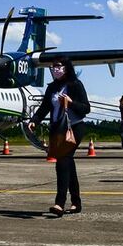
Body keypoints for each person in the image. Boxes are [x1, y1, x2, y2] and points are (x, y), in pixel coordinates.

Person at [27, 57, 90, 216]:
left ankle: (59, 203)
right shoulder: (52, 87)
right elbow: (44, 108)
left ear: (66, 68)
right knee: (68, 164)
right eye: (53, 66)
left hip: (74, 128)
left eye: (58, 66)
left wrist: (71, 102)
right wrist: (34, 120)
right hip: (58, 129)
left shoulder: (75, 85)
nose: (55, 69)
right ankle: (76, 202)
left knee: (62, 162)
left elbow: (86, 108)